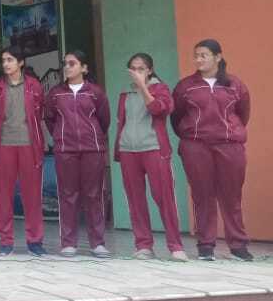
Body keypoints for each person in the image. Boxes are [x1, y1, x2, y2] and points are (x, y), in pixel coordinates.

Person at [172, 39, 252, 261]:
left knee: (232, 196)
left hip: (229, 145)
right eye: (196, 55)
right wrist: (192, 136)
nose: (198, 60)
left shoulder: (235, 84)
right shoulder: (185, 86)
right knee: (202, 195)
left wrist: (228, 132)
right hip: (196, 146)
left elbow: (243, 114)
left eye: (203, 55)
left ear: (217, 57)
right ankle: (206, 245)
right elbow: (177, 117)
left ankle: (238, 245)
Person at [114, 53, 187, 261]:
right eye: (133, 69)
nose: (137, 72)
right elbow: (122, 121)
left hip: (154, 148)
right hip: (129, 150)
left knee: (164, 197)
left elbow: (159, 110)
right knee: (135, 199)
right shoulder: (125, 93)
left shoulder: (160, 89)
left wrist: (144, 88)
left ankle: (175, 246)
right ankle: (143, 245)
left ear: (150, 70)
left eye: (141, 68)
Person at [44, 50, 111, 258]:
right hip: (66, 149)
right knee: (67, 195)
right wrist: (61, 136)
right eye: (65, 63)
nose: (67, 67)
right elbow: (49, 119)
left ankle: (97, 243)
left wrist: (93, 136)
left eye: (72, 63)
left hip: (92, 149)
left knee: (94, 195)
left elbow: (104, 120)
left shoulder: (95, 92)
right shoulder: (56, 93)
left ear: (84, 68)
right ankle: (68, 243)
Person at [0, 47, 46, 256]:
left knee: (32, 195)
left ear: (21, 62)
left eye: (10, 60)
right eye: (3, 60)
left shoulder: (34, 85)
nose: (5, 64)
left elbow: (39, 112)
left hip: (29, 145)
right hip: (4, 144)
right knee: (3, 195)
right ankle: (5, 241)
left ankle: (35, 241)